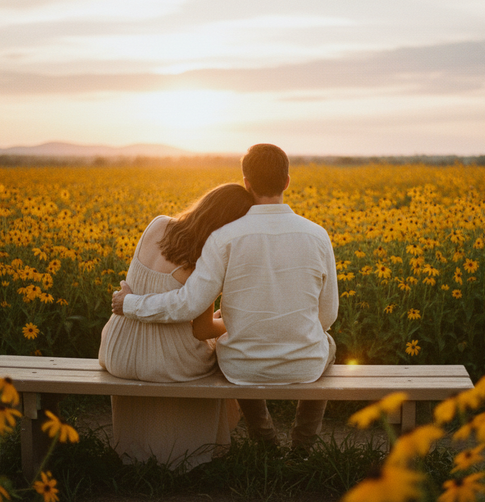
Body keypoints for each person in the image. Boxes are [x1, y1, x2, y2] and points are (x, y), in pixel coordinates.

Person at [112, 144, 339, 451]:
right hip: (304, 365)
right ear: (287, 181)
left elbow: (190, 304)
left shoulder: (223, 238)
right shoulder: (317, 235)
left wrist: (130, 304)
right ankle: (302, 447)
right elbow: (328, 315)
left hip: (241, 368)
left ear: (246, 182)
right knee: (329, 344)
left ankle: (265, 441)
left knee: (235, 347)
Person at [99, 183, 253, 468]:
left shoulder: (157, 225)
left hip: (117, 350)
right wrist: (232, 323)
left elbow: (152, 294)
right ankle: (197, 451)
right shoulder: (207, 258)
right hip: (165, 362)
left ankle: (137, 451)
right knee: (223, 353)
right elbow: (202, 330)